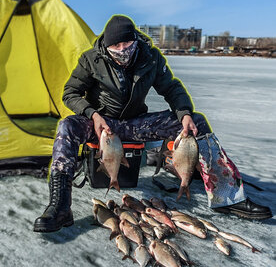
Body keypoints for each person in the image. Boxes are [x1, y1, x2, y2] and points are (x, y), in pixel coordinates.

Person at [33, 15, 273, 233]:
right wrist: (93, 114)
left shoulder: (150, 57)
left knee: (197, 122)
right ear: (107, 45)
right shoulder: (91, 60)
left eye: (127, 45)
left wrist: (185, 114)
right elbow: (70, 93)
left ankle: (228, 198)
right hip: (102, 125)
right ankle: (60, 206)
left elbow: (171, 87)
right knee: (67, 126)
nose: (122, 50)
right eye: (115, 46)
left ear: (135, 40)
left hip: (137, 123)